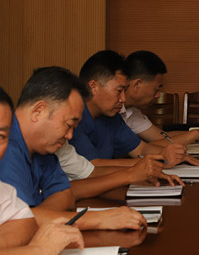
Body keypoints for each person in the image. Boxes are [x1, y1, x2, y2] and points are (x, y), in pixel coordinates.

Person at [0, 66, 146, 230]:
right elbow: (15, 223)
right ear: (38, 111)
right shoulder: (6, 147)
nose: (70, 136)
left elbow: (65, 195)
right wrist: (98, 219)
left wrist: (39, 218)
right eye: (68, 125)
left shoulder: (42, 146)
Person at [70, 50, 199, 166]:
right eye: (119, 90)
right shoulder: (73, 117)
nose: (123, 99)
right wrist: (154, 161)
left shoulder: (111, 117)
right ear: (94, 87)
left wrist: (168, 154)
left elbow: (141, 149)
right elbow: (93, 166)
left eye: (124, 91)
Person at [0, 85, 85, 255]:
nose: (70, 135)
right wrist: (36, 252)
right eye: (68, 125)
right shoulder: (13, 151)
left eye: (1, 136)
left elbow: (25, 222)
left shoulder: (4, 191)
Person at [123, 50, 199, 147]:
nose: (158, 96)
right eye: (156, 90)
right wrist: (196, 134)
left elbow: (163, 137)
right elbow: (145, 148)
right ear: (137, 85)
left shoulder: (132, 112)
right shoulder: (114, 111)